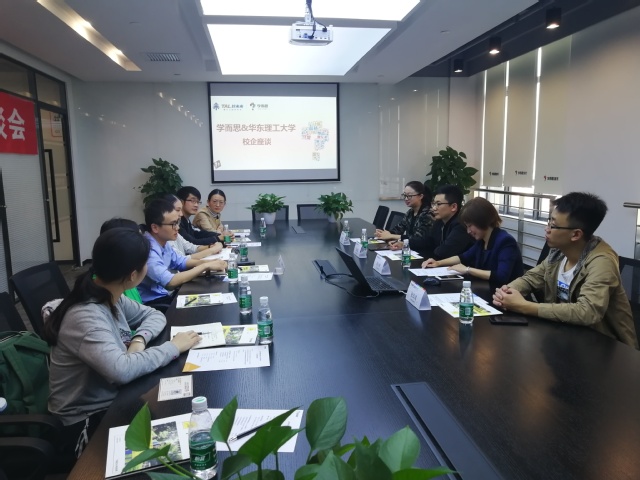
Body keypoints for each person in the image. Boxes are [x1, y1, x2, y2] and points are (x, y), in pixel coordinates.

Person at [43, 228, 202, 463]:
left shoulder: (108, 293)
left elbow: (154, 315)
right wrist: (173, 347)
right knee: (181, 447)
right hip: (85, 421)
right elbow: (121, 370)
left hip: (115, 399)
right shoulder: (85, 316)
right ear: (132, 275)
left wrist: (139, 339)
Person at [492, 192, 638, 348]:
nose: (547, 229)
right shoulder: (559, 252)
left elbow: (587, 311)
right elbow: (531, 278)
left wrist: (524, 306)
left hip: (605, 347)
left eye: (553, 225)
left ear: (576, 234)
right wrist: (507, 293)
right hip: (565, 336)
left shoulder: (602, 262)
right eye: (549, 221)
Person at [138, 198, 226, 308]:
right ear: (155, 227)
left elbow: (181, 261)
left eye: (178, 223)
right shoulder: (148, 249)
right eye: (173, 224)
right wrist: (205, 266)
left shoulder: (163, 242)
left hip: (167, 296)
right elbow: (170, 282)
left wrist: (211, 263)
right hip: (155, 304)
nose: (177, 228)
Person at [422, 197, 524, 285]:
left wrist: (468, 270)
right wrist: (438, 263)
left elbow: (501, 276)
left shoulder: (505, 241)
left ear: (482, 221)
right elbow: (463, 257)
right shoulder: (482, 240)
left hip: (506, 294)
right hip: (487, 288)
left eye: (470, 226)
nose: (468, 231)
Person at [418, 185, 474, 259]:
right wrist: (406, 243)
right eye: (433, 204)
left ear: (453, 207)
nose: (434, 208)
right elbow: (428, 242)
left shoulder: (461, 225)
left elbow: (444, 252)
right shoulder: (440, 221)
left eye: (438, 204)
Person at [374, 181, 432, 252]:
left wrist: (391, 236)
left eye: (409, 196)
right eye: (404, 195)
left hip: (423, 252)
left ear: (420, 196)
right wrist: (385, 234)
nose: (406, 199)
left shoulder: (428, 214)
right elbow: (398, 229)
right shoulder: (410, 212)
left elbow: (417, 239)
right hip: (409, 250)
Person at [160, 194, 224, 259]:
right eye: (178, 210)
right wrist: (213, 248)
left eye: (198, 202)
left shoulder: (179, 226)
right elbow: (182, 261)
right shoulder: (202, 213)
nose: (218, 205)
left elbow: (191, 247)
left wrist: (210, 247)